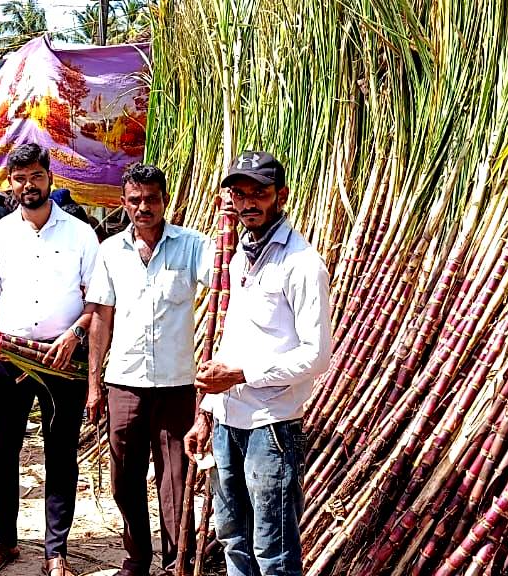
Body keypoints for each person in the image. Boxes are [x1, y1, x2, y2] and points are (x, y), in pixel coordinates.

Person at [182, 151, 333, 576]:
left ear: (280, 196)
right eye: (241, 193)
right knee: (233, 537)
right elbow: (234, 340)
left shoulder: (302, 264)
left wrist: (243, 375)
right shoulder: (238, 257)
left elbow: (316, 354)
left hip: (272, 425)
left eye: (259, 194)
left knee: (273, 548)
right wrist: (206, 414)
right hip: (229, 418)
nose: (249, 203)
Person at [0, 143, 99, 576]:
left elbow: (95, 301)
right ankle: (4, 541)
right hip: (8, 356)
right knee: (3, 451)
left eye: (36, 177)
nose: (28, 186)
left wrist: (75, 334)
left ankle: (55, 550)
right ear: (11, 183)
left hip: (61, 356)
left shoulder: (81, 234)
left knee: (60, 452)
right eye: (20, 178)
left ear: (50, 177)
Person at [86, 164, 207, 576]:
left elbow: (227, 284)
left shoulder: (193, 246)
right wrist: (93, 385)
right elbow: (101, 316)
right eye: (135, 200)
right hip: (125, 382)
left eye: (151, 199)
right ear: (124, 203)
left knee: (175, 480)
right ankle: (137, 557)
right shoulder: (110, 251)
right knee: (125, 476)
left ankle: (177, 562)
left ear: (164, 200)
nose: (143, 208)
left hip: (177, 384)